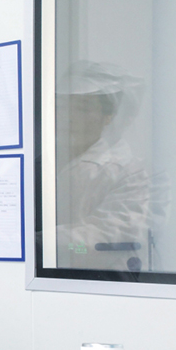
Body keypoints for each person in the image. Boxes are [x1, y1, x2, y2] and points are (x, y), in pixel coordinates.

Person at [55, 61, 161, 271]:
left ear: (108, 117)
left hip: (108, 282)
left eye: (83, 108)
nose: (68, 117)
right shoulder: (46, 162)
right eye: (63, 106)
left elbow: (105, 238)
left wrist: (41, 241)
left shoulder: (131, 173)